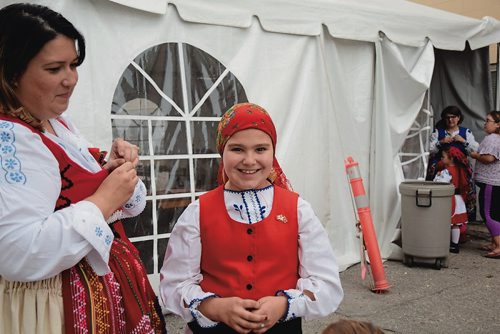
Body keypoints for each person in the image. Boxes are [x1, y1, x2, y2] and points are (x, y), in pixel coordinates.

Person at [0, 4, 165, 333]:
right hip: (52, 307)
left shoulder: (56, 121)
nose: (71, 79)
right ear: (11, 71)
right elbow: (18, 251)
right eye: (54, 68)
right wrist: (104, 198)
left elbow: (80, 193)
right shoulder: (10, 138)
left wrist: (111, 171)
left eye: (73, 65)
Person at [160, 102, 343, 333]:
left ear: (273, 152)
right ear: (222, 152)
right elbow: (175, 284)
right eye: (237, 149)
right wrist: (215, 307)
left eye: (260, 149)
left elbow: (326, 283)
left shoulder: (298, 209)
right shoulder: (197, 213)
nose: (249, 160)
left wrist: (284, 305)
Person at [426, 105, 479, 237]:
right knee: (441, 195)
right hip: (441, 168)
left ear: (459, 118)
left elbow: (475, 149)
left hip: (460, 171)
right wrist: (441, 142)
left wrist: (463, 141)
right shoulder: (438, 132)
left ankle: (460, 228)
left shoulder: (466, 132)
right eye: (447, 117)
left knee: (460, 196)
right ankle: (439, 226)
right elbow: (429, 150)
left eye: (453, 117)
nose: (450, 120)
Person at [470, 111, 500, 258]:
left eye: (488, 120)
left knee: (488, 214)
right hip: (495, 183)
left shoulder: (493, 138)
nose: (485, 123)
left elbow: (489, 158)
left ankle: (499, 246)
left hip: (491, 182)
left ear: (497, 124)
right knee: (495, 214)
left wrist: (475, 155)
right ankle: (494, 243)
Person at [433, 147, 472, 253]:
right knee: (456, 224)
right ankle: (455, 244)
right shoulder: (460, 170)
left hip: (449, 199)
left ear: (451, 158)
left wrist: (437, 175)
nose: (441, 159)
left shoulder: (446, 172)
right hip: (458, 199)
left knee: (445, 222)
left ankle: (442, 242)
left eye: (443, 157)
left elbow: (439, 184)